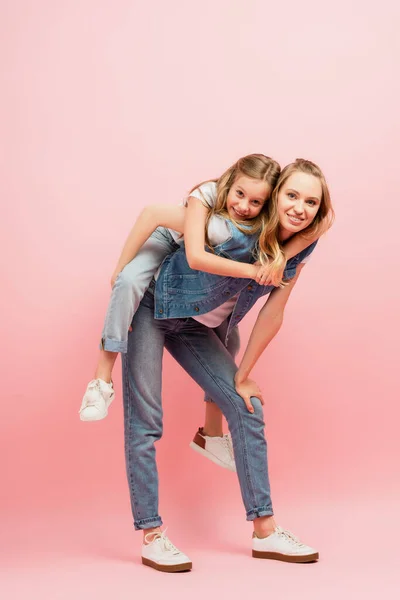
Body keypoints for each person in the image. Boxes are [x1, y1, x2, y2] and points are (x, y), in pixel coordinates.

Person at [120, 159, 334, 571]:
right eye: (292, 196)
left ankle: (266, 533)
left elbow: (274, 310)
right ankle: (151, 534)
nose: (300, 207)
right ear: (272, 198)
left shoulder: (299, 243)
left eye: (311, 201)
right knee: (145, 421)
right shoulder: (235, 224)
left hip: (193, 324)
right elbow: (172, 228)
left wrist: (244, 374)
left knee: (248, 406)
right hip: (151, 305)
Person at [79, 155, 320, 471]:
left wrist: (278, 259)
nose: (245, 205)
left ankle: (211, 434)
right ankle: (101, 380)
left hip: (186, 266)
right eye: (240, 195)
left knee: (228, 340)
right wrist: (120, 267)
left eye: (256, 201)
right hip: (165, 243)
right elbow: (166, 228)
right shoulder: (214, 213)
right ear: (229, 183)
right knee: (126, 283)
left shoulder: (254, 226)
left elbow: (311, 231)